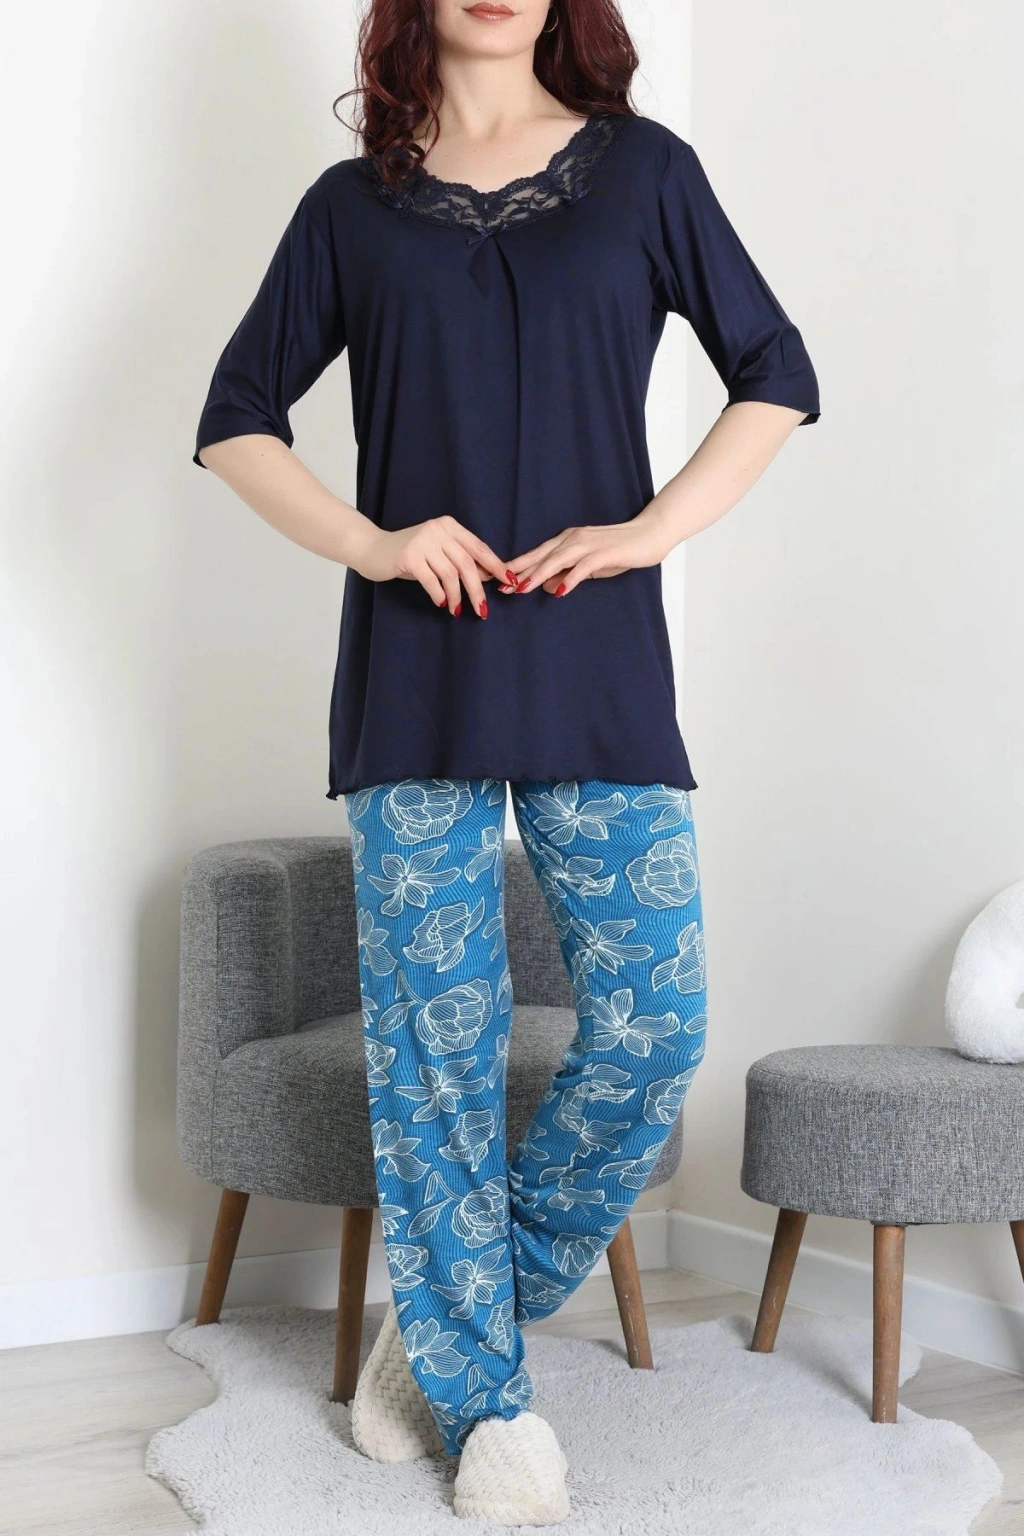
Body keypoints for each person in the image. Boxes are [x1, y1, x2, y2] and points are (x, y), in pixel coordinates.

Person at [192, 0, 820, 1522]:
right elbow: (234, 420)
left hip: (596, 670)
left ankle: (442, 1328)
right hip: (416, 678)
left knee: (656, 1026)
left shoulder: (645, 172)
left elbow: (775, 370)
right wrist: (373, 544)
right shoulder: (349, 208)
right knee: (438, 1059)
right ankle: (486, 1403)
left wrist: (650, 532)